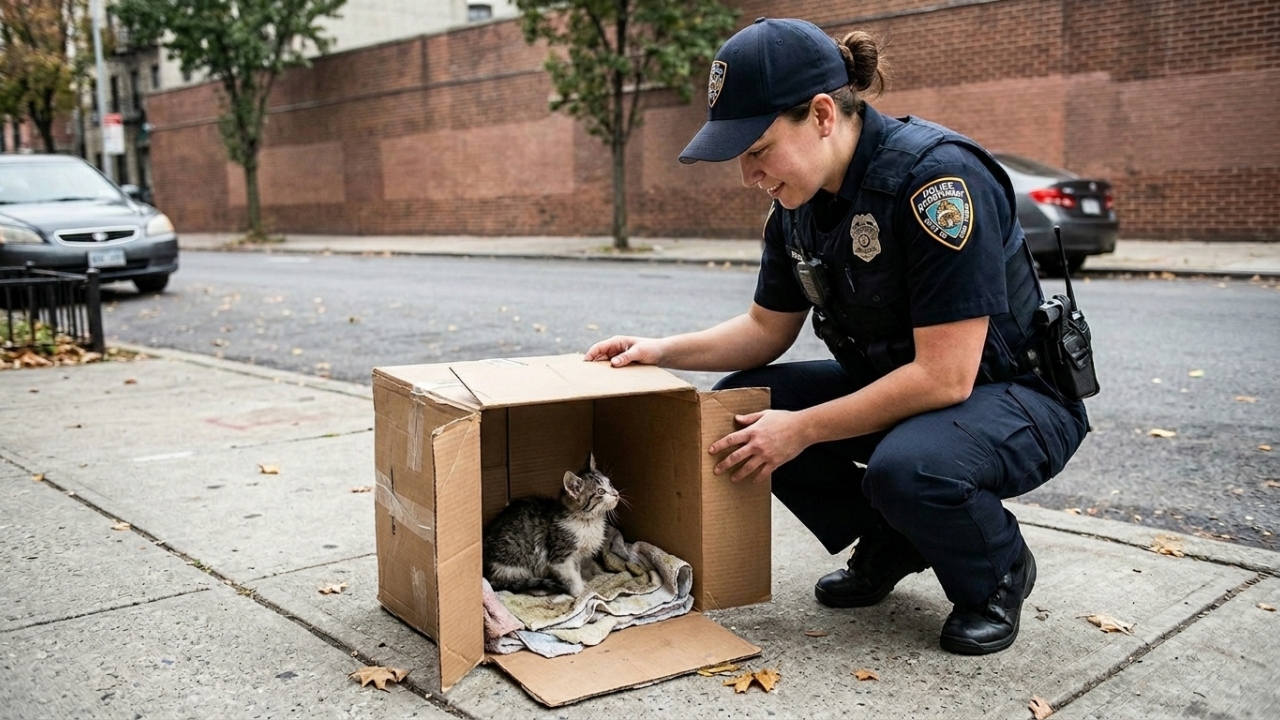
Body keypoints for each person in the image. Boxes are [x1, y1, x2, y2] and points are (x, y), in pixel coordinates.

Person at [584, 17, 1090, 655]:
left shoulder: (937, 182)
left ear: (823, 114)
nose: (747, 175)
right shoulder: (797, 207)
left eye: (758, 149)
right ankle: (894, 538)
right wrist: (660, 350)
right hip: (908, 388)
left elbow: (945, 376)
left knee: (907, 469)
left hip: (1013, 393)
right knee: (742, 407)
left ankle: (997, 571)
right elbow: (764, 329)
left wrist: (801, 429)